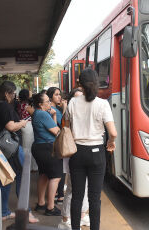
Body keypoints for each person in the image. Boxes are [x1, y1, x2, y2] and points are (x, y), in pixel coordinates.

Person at [64, 68, 117, 230]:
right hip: (96, 153)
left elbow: (65, 127)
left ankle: (75, 228)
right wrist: (110, 142)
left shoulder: (73, 102)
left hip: (77, 153)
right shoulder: (102, 104)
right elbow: (113, 132)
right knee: (94, 198)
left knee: (77, 196)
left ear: (80, 83)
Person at [0, 81, 39, 222]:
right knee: (23, 178)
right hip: (11, 148)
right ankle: (26, 212)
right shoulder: (4, 106)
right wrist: (22, 123)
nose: (13, 97)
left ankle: (4, 212)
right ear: (7, 93)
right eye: (13, 93)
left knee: (6, 179)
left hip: (2, 148)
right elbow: (11, 126)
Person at [58, 88, 89, 230]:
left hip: (85, 153)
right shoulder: (68, 114)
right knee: (72, 188)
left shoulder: (87, 111)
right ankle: (65, 219)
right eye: (76, 98)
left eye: (82, 97)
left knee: (86, 187)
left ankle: (82, 215)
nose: (80, 101)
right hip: (72, 153)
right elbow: (64, 129)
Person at [31, 92, 62, 216]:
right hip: (47, 148)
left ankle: (41, 203)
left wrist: (53, 115)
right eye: (47, 101)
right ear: (40, 104)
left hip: (39, 147)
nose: (50, 103)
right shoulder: (43, 114)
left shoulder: (38, 113)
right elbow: (56, 131)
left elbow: (51, 126)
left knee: (43, 175)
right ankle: (50, 207)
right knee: (55, 177)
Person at [46, 87, 67, 203]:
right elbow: (62, 124)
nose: (59, 97)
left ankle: (58, 193)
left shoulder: (54, 108)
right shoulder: (53, 109)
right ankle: (60, 195)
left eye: (60, 94)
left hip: (56, 141)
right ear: (50, 97)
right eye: (56, 95)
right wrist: (64, 109)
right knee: (61, 169)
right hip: (57, 140)